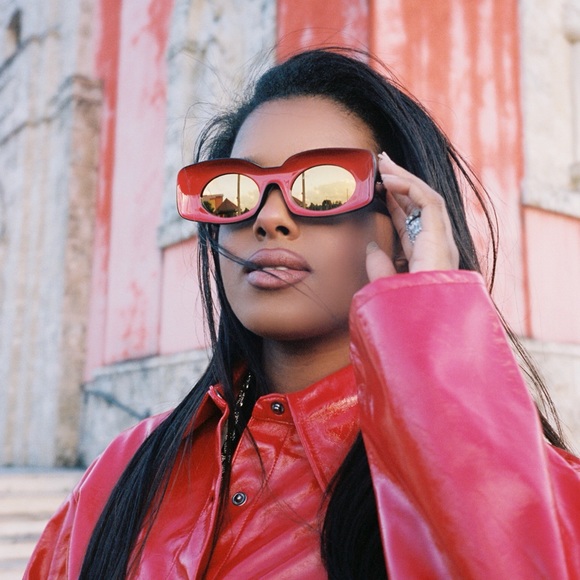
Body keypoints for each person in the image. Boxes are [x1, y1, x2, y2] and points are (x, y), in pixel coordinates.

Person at [26, 48, 580, 579]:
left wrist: (433, 315)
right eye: (234, 192)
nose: (268, 219)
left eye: (322, 188)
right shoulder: (123, 472)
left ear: (406, 224)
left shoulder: (534, 489)